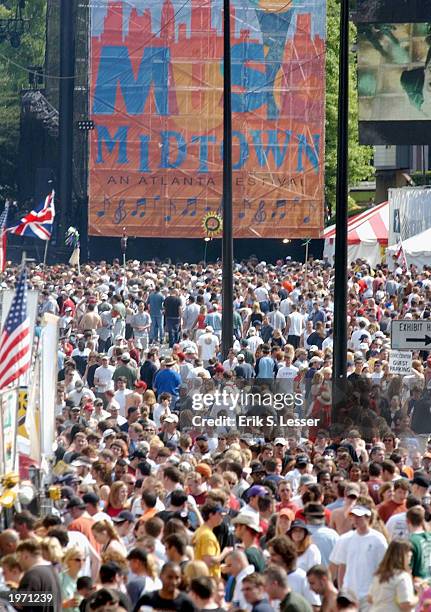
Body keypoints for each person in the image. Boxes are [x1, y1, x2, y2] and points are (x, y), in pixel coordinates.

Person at [368, 539, 417, 611]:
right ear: (403, 555)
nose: (411, 554)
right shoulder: (402, 577)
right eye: (408, 552)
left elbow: (370, 599)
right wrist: (419, 595)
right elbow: (406, 605)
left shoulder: (379, 574)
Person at [16, 539, 62, 612]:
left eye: (19, 556)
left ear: (25, 556)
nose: (18, 561)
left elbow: (22, 606)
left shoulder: (32, 575)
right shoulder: (52, 571)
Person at [58, 547, 85, 612]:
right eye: (77, 560)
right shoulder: (60, 578)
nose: (81, 563)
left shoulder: (83, 579)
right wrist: (65, 604)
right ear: (68, 561)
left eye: (84, 560)